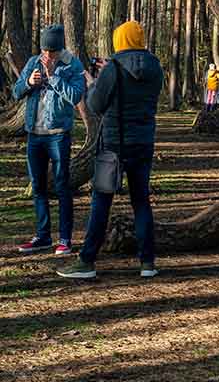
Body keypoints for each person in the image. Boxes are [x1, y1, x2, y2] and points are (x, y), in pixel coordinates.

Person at [59, 20, 164, 280]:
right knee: (141, 202)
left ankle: (86, 262)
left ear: (120, 41)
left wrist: (95, 81)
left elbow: (95, 105)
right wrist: (111, 73)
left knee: (101, 203)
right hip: (143, 143)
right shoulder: (155, 68)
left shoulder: (113, 69)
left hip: (114, 145)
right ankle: (147, 263)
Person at [13, 25, 85, 256]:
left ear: (59, 49)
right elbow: (16, 91)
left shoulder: (72, 64)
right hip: (34, 134)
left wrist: (53, 77)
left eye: (50, 52)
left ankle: (65, 239)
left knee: (62, 186)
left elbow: (75, 96)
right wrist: (28, 84)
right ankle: (42, 236)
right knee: (38, 187)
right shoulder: (33, 62)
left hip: (58, 134)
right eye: (43, 51)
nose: (46, 56)